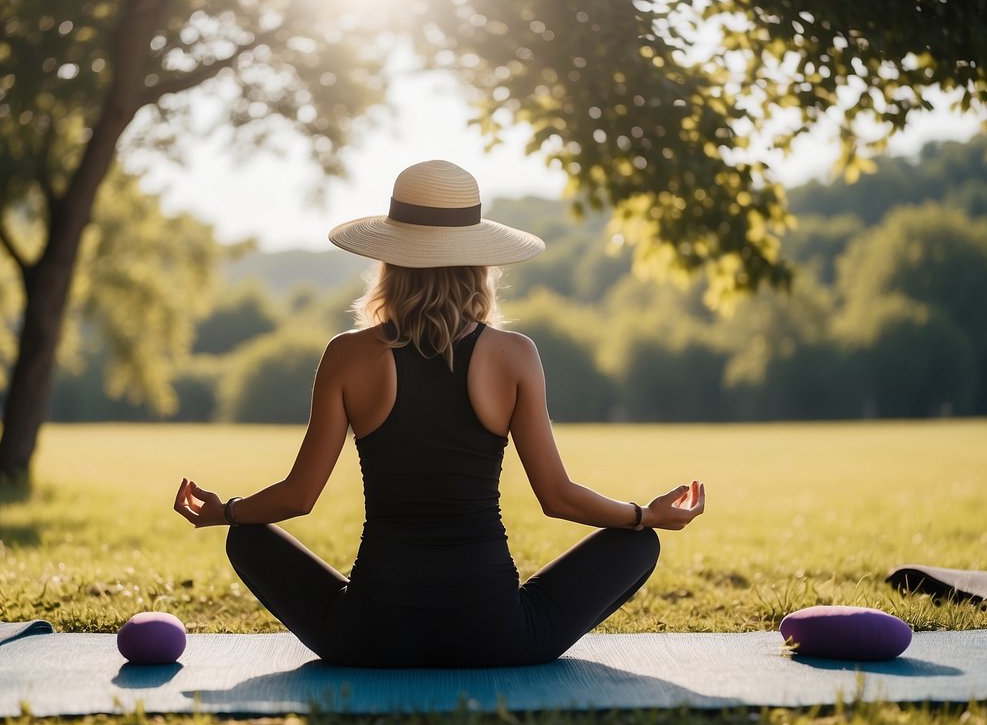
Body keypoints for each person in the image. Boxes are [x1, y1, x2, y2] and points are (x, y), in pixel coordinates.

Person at [173, 160, 706, 667]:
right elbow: (558, 498)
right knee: (636, 545)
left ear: (390, 264)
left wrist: (228, 512)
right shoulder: (515, 355)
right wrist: (644, 515)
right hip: (495, 635)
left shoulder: (347, 355)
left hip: (368, 636)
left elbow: (298, 496)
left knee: (247, 534)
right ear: (479, 266)